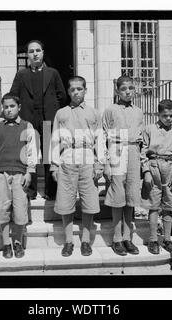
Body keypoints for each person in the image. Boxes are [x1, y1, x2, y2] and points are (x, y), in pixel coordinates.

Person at [50, 76, 105, 257]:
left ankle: (86, 241)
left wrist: (99, 164)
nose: (76, 92)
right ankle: (68, 241)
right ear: (68, 91)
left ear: (85, 90)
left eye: (79, 89)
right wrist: (54, 165)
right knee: (66, 201)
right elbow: (54, 140)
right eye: (72, 89)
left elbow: (100, 139)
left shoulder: (94, 113)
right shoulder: (61, 113)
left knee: (89, 201)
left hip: (87, 157)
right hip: (67, 157)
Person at [9, 40, 66, 200]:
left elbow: (61, 95)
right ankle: (30, 191)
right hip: (29, 120)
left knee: (50, 155)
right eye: (31, 51)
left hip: (48, 119)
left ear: (43, 53)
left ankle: (51, 192)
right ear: (27, 55)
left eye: (38, 50)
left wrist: (53, 109)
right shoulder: (21, 75)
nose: (35, 53)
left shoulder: (53, 73)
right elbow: (14, 95)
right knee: (30, 155)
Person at [0, 94, 38, 259]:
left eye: (12, 106)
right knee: (1, 209)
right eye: (6, 107)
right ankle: (6, 244)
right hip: (1, 173)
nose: (9, 110)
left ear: (19, 107)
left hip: (20, 174)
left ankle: (17, 242)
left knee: (20, 209)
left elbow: (32, 151)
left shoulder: (27, 126)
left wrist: (30, 172)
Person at [102, 76, 144, 256]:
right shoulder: (110, 110)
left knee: (131, 196)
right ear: (117, 91)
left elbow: (142, 139)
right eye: (124, 88)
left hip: (134, 151)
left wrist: (143, 163)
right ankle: (117, 238)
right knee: (118, 196)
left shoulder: (139, 112)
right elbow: (102, 137)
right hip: (117, 150)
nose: (128, 91)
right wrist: (105, 163)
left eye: (131, 88)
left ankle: (128, 238)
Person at [141, 99, 172, 255]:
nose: (168, 118)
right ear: (158, 114)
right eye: (165, 115)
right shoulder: (149, 129)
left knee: (168, 206)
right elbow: (143, 152)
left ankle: (167, 239)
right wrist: (146, 171)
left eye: (171, 115)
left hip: (170, 168)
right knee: (153, 205)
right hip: (154, 167)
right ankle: (153, 239)